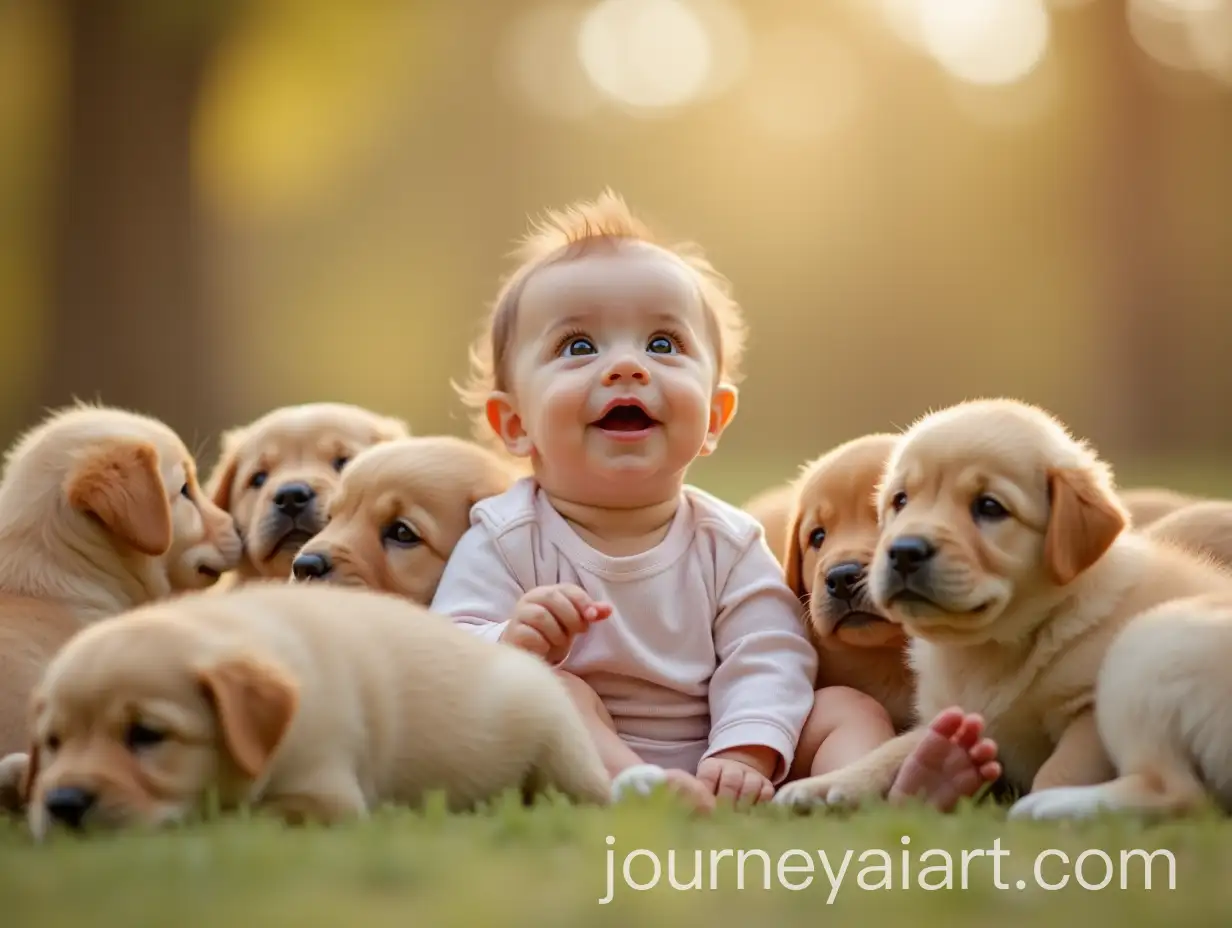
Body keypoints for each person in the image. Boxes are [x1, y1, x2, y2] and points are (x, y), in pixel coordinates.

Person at [431, 190, 999, 811]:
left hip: (722, 742)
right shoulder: (506, 534)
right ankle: (632, 787)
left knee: (845, 708)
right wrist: (509, 638)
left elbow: (770, 652)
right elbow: (446, 647)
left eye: (663, 345)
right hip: (586, 741)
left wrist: (743, 751)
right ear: (514, 424)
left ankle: (860, 788)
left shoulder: (727, 541)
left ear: (714, 417)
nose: (628, 367)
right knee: (555, 692)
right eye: (578, 347)